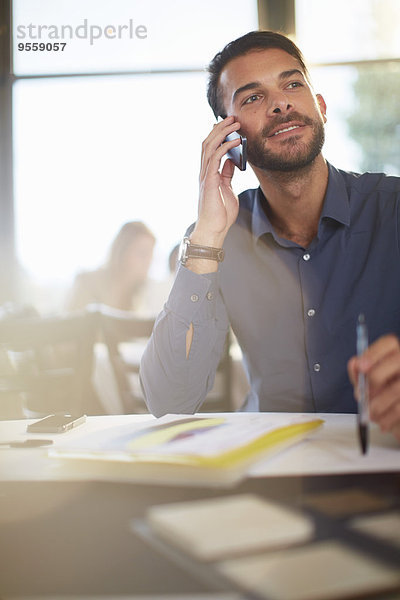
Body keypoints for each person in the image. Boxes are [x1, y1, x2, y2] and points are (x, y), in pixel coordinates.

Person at [140, 30, 400, 442]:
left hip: (384, 455)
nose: (281, 102)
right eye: (252, 98)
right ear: (230, 139)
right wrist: (207, 233)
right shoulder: (218, 237)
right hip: (267, 465)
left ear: (321, 107)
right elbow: (171, 400)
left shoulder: (393, 208)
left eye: (293, 84)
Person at [67, 221, 157, 314]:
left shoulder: (140, 296)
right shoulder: (87, 282)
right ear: (122, 252)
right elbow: (70, 325)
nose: (148, 261)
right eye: (142, 253)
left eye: (151, 254)